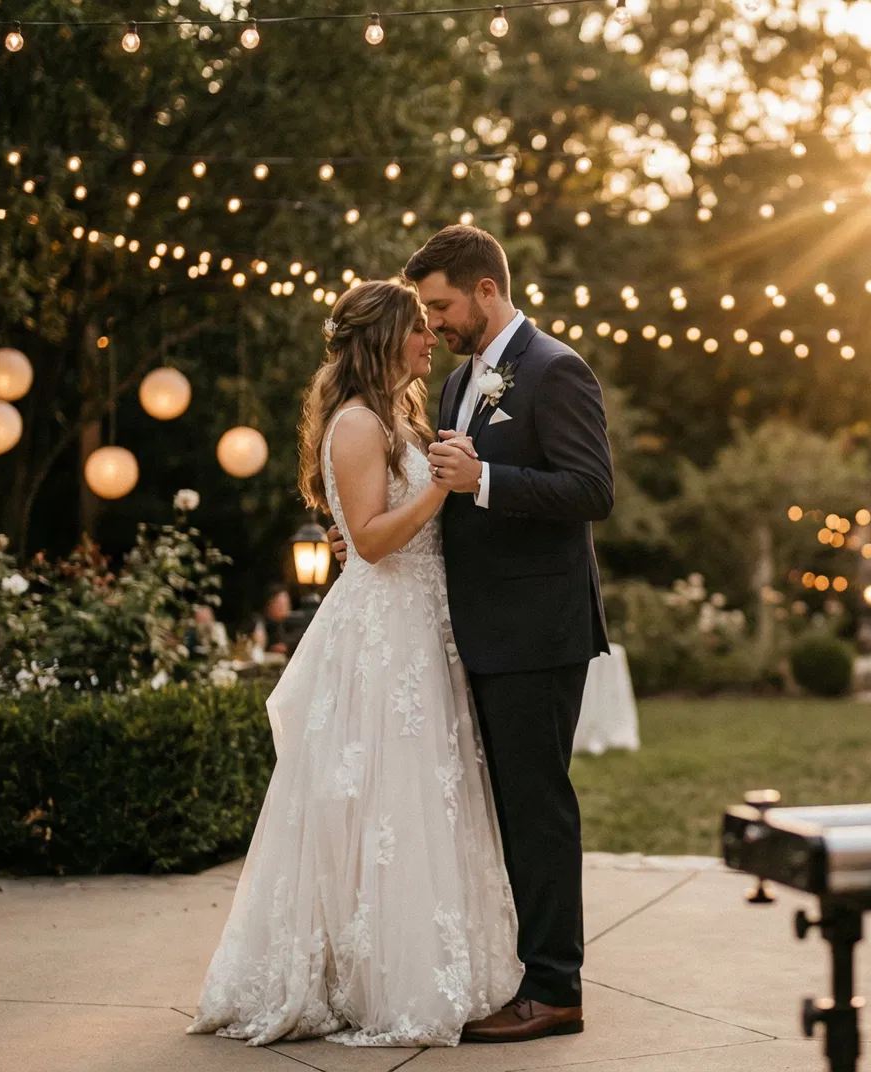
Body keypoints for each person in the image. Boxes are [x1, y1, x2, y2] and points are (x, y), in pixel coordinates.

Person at [188, 279, 523, 1049]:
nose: (430, 339)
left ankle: (433, 964)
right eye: (417, 328)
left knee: (427, 796)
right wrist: (440, 491)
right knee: (386, 797)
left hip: (421, 628)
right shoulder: (356, 423)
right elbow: (370, 541)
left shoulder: (397, 415)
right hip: (386, 634)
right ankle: (375, 979)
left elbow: (364, 532)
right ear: (382, 339)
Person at [335, 225, 613, 1043]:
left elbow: (592, 489)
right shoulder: (459, 385)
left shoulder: (556, 370)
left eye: (443, 306)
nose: (437, 322)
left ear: (486, 291)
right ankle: (524, 972)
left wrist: (486, 478)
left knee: (538, 809)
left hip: (538, 630)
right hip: (474, 632)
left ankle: (556, 988)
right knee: (501, 812)